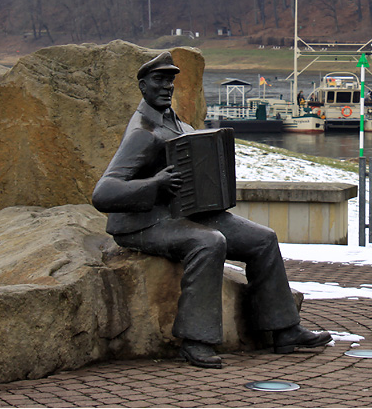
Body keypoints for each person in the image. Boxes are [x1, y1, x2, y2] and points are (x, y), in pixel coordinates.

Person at [92, 52, 331, 369]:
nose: (166, 87)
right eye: (159, 81)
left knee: (263, 239)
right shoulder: (142, 132)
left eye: (170, 81)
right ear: (142, 86)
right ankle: (195, 340)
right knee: (208, 242)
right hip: (144, 223)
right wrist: (154, 185)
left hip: (186, 212)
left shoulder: (178, 123)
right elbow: (103, 193)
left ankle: (284, 330)